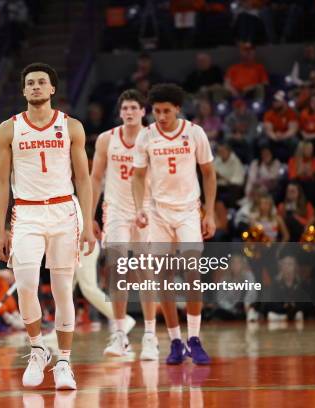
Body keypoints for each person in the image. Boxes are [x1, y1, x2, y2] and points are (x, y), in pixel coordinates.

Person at [0, 63, 95, 390]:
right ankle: (38, 349)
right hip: (26, 213)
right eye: (30, 83)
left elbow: (84, 178)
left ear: (52, 89)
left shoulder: (71, 127)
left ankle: (64, 360)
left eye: (42, 83)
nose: (36, 87)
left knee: (64, 288)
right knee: (25, 284)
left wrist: (89, 224)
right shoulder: (8, 129)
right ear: (23, 91)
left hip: (65, 210)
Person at [132, 83, 216, 365]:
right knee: (163, 278)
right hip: (158, 213)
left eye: (166, 111)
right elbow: (137, 176)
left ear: (178, 109)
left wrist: (211, 212)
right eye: (156, 111)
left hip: (189, 211)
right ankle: (175, 341)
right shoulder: (146, 136)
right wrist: (138, 208)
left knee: (193, 273)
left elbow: (209, 173)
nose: (161, 116)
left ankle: (194, 338)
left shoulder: (194, 132)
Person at [89, 89, 158, 360]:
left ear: (143, 112)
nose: (129, 112)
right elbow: (95, 179)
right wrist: (91, 215)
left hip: (145, 210)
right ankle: (119, 336)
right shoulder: (107, 139)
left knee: (144, 273)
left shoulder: (153, 139)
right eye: (125, 108)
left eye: (134, 108)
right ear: (120, 112)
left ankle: (150, 336)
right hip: (115, 210)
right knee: (116, 271)